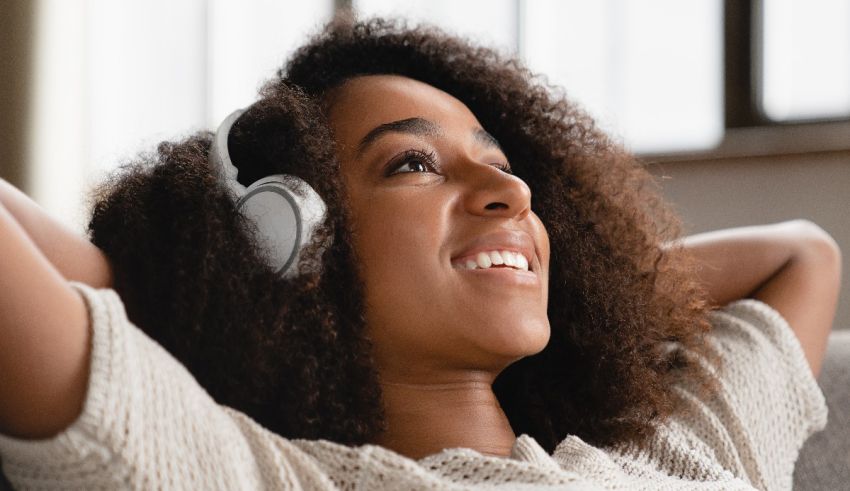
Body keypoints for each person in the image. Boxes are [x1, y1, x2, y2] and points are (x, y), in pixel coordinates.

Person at [0, 15, 841, 490]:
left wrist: (588, 284)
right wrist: (179, 300)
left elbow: (801, 256)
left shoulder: (680, 454)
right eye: (413, 163)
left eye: (506, 171)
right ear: (293, 244)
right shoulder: (261, 475)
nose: (510, 194)